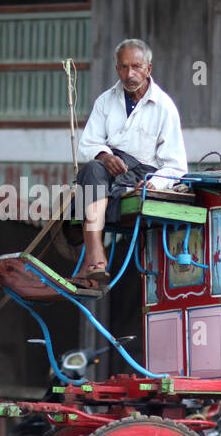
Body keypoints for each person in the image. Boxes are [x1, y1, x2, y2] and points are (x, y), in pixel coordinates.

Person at [71, 38, 187, 285]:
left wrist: (154, 184)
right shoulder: (105, 101)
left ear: (148, 69)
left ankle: (90, 264)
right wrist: (105, 156)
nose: (129, 74)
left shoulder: (164, 107)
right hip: (107, 170)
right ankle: (95, 256)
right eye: (123, 67)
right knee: (91, 169)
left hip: (143, 175)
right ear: (116, 69)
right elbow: (86, 146)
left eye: (136, 67)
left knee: (89, 182)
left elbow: (176, 165)